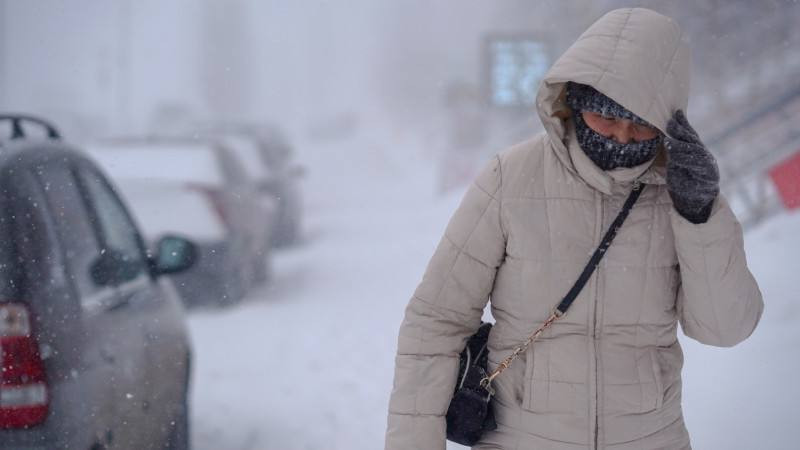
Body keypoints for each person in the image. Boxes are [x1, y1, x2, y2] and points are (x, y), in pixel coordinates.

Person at [385, 7, 763, 450]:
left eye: (640, 124)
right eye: (606, 117)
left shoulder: (681, 193)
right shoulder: (512, 178)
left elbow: (725, 328)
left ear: (666, 122)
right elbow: (436, 321)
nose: (621, 138)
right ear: (575, 101)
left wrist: (700, 215)